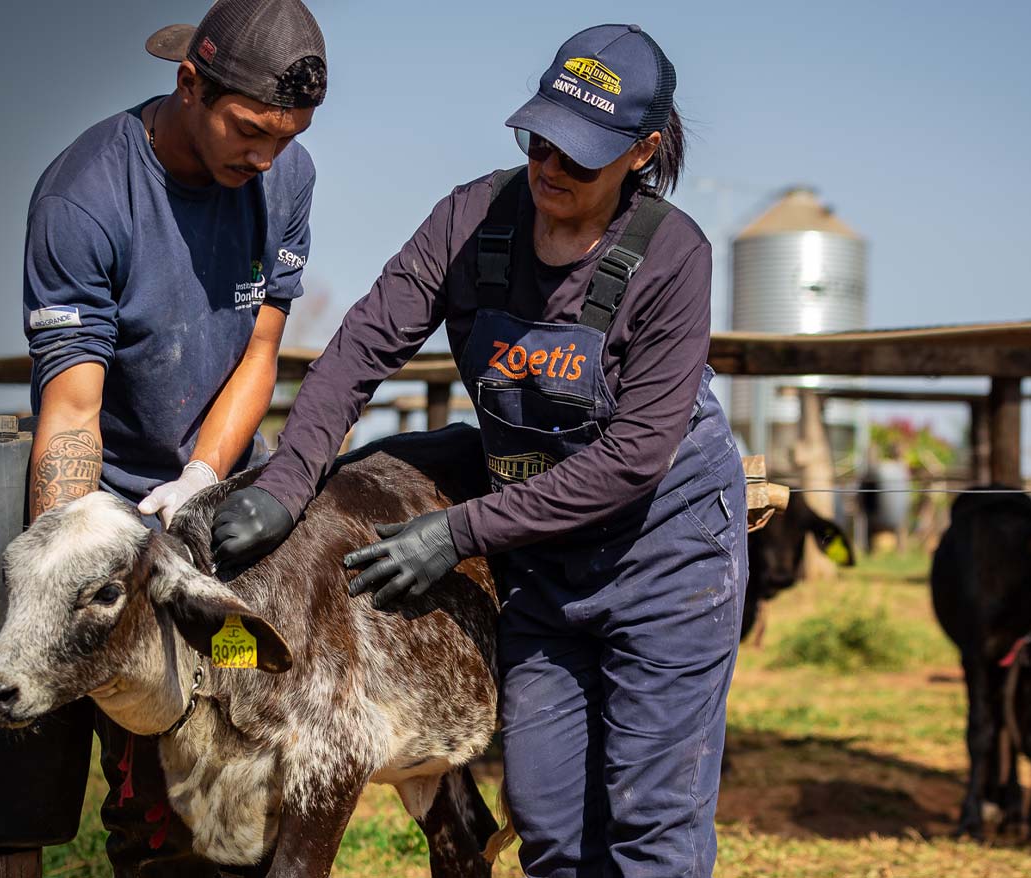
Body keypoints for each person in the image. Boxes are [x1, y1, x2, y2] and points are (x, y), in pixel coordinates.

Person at [211, 24, 746, 878]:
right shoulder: (471, 220)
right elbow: (360, 350)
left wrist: (456, 534)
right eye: (541, 141)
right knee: (551, 822)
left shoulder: (673, 255)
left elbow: (634, 457)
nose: (550, 168)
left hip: (665, 556)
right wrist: (285, 480)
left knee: (650, 826)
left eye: (580, 156)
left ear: (642, 152)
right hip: (541, 561)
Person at [20, 1, 327, 873]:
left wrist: (204, 471)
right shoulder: (85, 199)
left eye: (289, 133)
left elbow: (261, 348)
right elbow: (73, 408)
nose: (265, 154)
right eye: (249, 129)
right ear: (190, 83)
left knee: (262, 735)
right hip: (114, 497)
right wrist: (83, 561)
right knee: (151, 779)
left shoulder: (287, 177)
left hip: (222, 486)